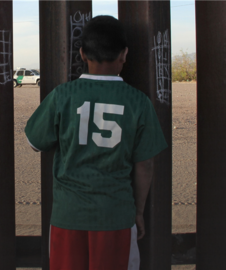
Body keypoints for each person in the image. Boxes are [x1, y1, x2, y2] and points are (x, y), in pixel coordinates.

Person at [24, 15, 167, 270]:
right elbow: (145, 165)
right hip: (116, 217)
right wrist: (138, 211)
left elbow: (34, 141)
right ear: (124, 54)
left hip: (68, 217)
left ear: (82, 54)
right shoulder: (139, 102)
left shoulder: (62, 95)